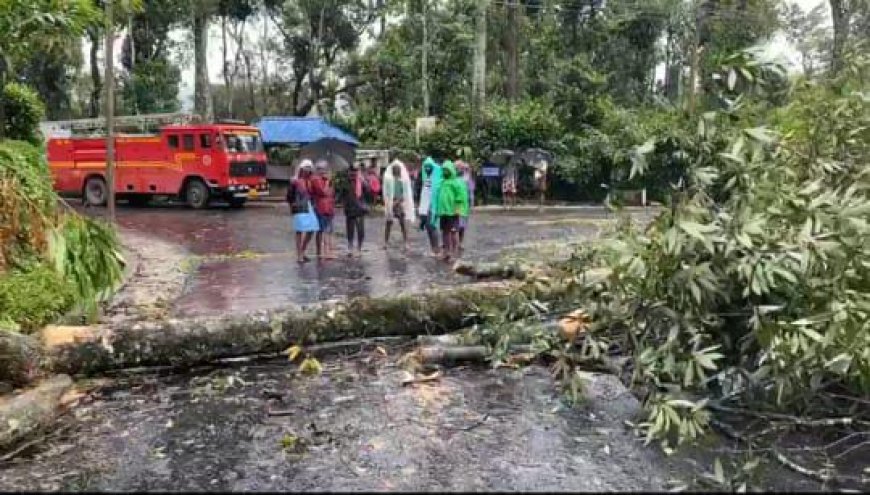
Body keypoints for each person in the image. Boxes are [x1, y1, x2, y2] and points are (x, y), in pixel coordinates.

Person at [287, 160, 319, 263]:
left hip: (309, 206)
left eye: (309, 168)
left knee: (312, 228)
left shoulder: (311, 180)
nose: (308, 170)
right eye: (306, 167)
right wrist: (292, 205)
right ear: (301, 168)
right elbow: (289, 196)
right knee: (299, 230)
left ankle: (303, 250)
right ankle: (299, 255)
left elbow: (314, 193)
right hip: (299, 206)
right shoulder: (295, 181)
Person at [435, 161, 469, 261]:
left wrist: (458, 209)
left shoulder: (456, 182)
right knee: (444, 232)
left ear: (451, 170)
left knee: (454, 232)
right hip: (443, 212)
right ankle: (447, 252)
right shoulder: (441, 182)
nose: (445, 172)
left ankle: (454, 253)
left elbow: (460, 197)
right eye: (444, 170)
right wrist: (437, 210)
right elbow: (438, 197)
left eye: (447, 170)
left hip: (453, 212)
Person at [382, 159, 415, 251]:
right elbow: (386, 193)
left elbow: (405, 193)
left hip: (399, 204)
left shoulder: (402, 181)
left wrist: (397, 202)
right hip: (391, 203)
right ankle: (385, 242)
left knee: (402, 223)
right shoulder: (389, 180)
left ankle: (406, 242)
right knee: (388, 223)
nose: (396, 170)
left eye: (397, 169)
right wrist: (389, 203)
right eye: (394, 169)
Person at [343, 164, 374, 257]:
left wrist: (362, 180)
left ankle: (359, 248)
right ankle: (350, 247)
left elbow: (369, 191)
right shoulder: (346, 182)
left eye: (355, 171)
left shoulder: (362, 182)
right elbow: (342, 194)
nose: (353, 173)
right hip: (350, 209)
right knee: (350, 230)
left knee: (360, 230)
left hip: (360, 209)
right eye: (351, 171)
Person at [310, 160, 336, 259]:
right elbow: (323, 192)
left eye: (324, 169)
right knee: (322, 230)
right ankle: (322, 251)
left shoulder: (325, 180)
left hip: (329, 207)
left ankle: (327, 250)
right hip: (320, 207)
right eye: (321, 169)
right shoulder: (316, 179)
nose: (323, 171)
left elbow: (331, 193)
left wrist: (329, 182)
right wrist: (327, 182)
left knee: (328, 230)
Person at [417, 156, 442, 256]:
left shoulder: (437, 177)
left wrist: (434, 206)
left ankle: (437, 249)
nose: (427, 169)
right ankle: (433, 248)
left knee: (432, 226)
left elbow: (436, 192)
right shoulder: (424, 176)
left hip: (433, 205)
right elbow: (423, 191)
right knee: (427, 226)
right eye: (426, 167)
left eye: (429, 167)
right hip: (424, 205)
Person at [455, 160, 475, 250]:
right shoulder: (453, 178)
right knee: (456, 225)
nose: (460, 169)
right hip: (456, 204)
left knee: (462, 226)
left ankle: (460, 243)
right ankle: (456, 243)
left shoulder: (467, 179)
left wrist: (471, 204)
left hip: (464, 204)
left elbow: (471, 192)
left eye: (462, 168)